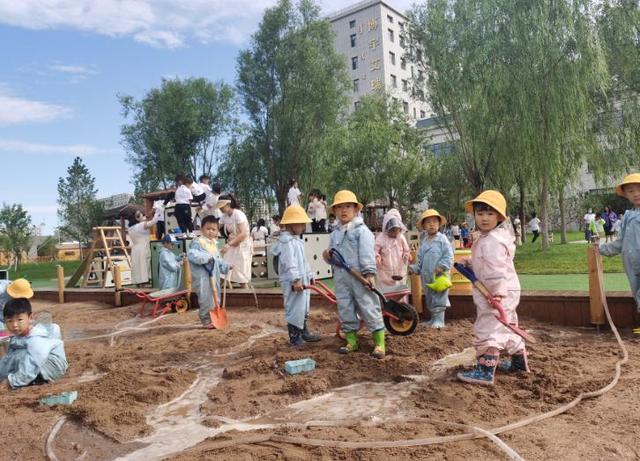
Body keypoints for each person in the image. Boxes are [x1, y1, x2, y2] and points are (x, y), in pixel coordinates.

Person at [457, 190, 528, 386]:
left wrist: (496, 293)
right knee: (509, 324)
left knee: (488, 327)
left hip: (496, 291)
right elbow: (487, 263)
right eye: (480, 214)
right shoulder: (493, 238)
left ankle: (485, 370)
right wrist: (471, 263)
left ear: (499, 217)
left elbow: (495, 270)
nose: (484, 218)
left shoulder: (491, 241)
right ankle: (519, 361)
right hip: (508, 289)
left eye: (490, 214)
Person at [322, 190, 386, 359]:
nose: (344, 210)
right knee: (345, 307)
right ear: (334, 211)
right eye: (340, 207)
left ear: (356, 209)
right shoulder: (335, 233)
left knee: (369, 306)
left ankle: (379, 344)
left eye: (348, 206)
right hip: (342, 279)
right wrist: (327, 256)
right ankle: (352, 341)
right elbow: (333, 256)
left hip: (360, 277)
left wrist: (370, 273)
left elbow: (366, 253)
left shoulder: (361, 231)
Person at [271, 205, 321, 346]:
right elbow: (289, 263)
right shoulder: (286, 242)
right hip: (292, 282)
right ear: (290, 224)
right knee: (294, 307)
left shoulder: (296, 240)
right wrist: (296, 279)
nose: (303, 226)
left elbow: (304, 261)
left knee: (304, 306)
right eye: (300, 223)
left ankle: (303, 331)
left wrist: (310, 274)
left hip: (302, 279)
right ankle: (295, 337)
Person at [0, 298, 68, 388]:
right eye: (10, 321)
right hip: (37, 362)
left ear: (30, 318)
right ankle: (24, 378)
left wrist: (10, 382)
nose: (14, 325)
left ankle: (33, 380)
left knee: (21, 356)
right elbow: (7, 360)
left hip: (53, 367)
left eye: (19, 319)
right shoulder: (18, 336)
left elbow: (32, 363)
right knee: (14, 356)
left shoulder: (36, 338)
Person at [599, 173, 640, 312]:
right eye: (631, 191)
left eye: (639, 189)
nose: (636, 194)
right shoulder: (628, 216)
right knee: (637, 293)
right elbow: (621, 242)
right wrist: (601, 249)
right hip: (632, 264)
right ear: (626, 195)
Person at [409, 209, 454, 328]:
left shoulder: (442, 239)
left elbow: (449, 255)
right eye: (428, 222)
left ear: (439, 224)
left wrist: (442, 266)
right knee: (430, 297)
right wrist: (414, 268)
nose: (432, 224)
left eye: (434, 222)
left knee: (439, 296)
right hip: (427, 276)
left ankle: (439, 320)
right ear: (424, 226)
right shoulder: (424, 242)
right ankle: (433, 319)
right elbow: (420, 260)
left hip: (439, 275)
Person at [188, 216, 231, 329]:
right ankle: (206, 320)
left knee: (215, 297)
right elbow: (193, 255)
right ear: (202, 229)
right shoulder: (198, 242)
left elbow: (218, 260)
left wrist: (227, 266)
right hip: (203, 276)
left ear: (217, 231)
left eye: (214, 229)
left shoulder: (213, 244)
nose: (211, 232)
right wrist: (207, 257)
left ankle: (214, 318)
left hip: (214, 276)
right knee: (205, 298)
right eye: (208, 229)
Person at [218, 195, 252, 288]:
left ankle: (246, 295)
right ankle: (216, 293)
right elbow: (216, 227)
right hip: (232, 243)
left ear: (228, 204)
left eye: (222, 206)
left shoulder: (238, 214)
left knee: (241, 273)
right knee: (224, 267)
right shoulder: (224, 216)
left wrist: (229, 244)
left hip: (242, 244)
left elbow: (243, 234)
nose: (220, 208)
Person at [375, 209, 411, 289]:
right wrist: (377, 257)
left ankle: (401, 301)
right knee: (386, 293)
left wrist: (406, 255)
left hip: (400, 271)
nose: (394, 233)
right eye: (392, 230)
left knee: (400, 290)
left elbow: (406, 250)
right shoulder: (380, 238)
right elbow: (375, 250)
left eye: (396, 230)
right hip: (385, 273)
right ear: (386, 228)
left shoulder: (401, 237)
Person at [128, 208, 160, 286]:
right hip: (143, 247)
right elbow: (154, 221)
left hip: (135, 248)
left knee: (137, 267)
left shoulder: (130, 228)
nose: (144, 216)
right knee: (145, 265)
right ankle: (146, 281)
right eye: (142, 214)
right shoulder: (141, 225)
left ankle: (139, 283)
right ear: (138, 218)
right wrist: (158, 212)